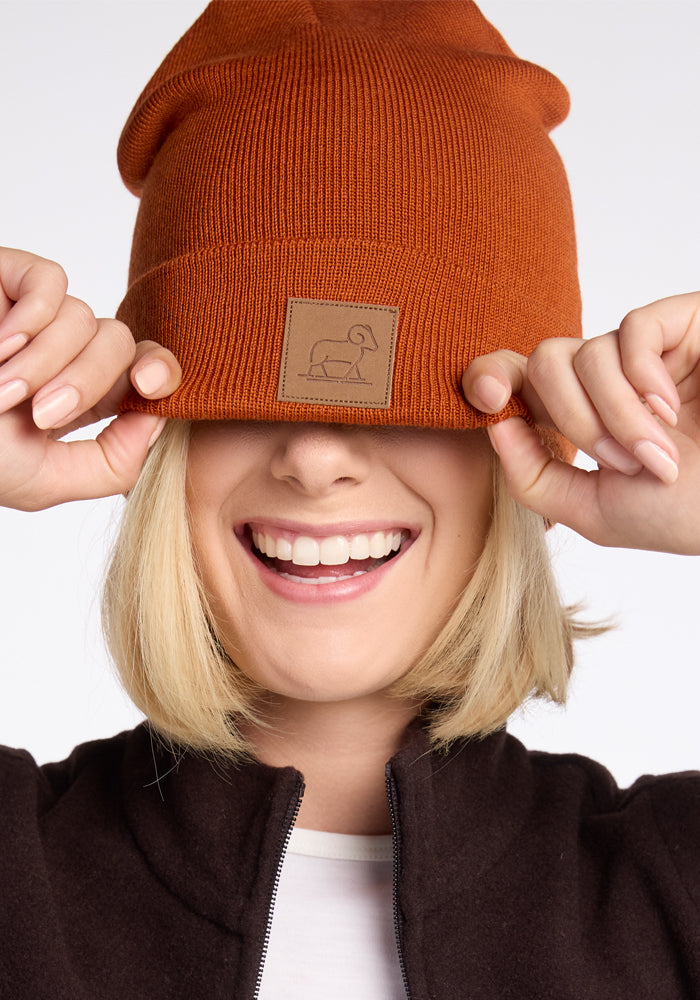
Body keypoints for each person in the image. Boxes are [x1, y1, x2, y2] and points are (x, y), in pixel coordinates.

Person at [0, 2, 698, 997]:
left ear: (542, 434)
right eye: (243, 389)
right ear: (159, 430)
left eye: (409, 389)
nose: (316, 457)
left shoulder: (669, 893)